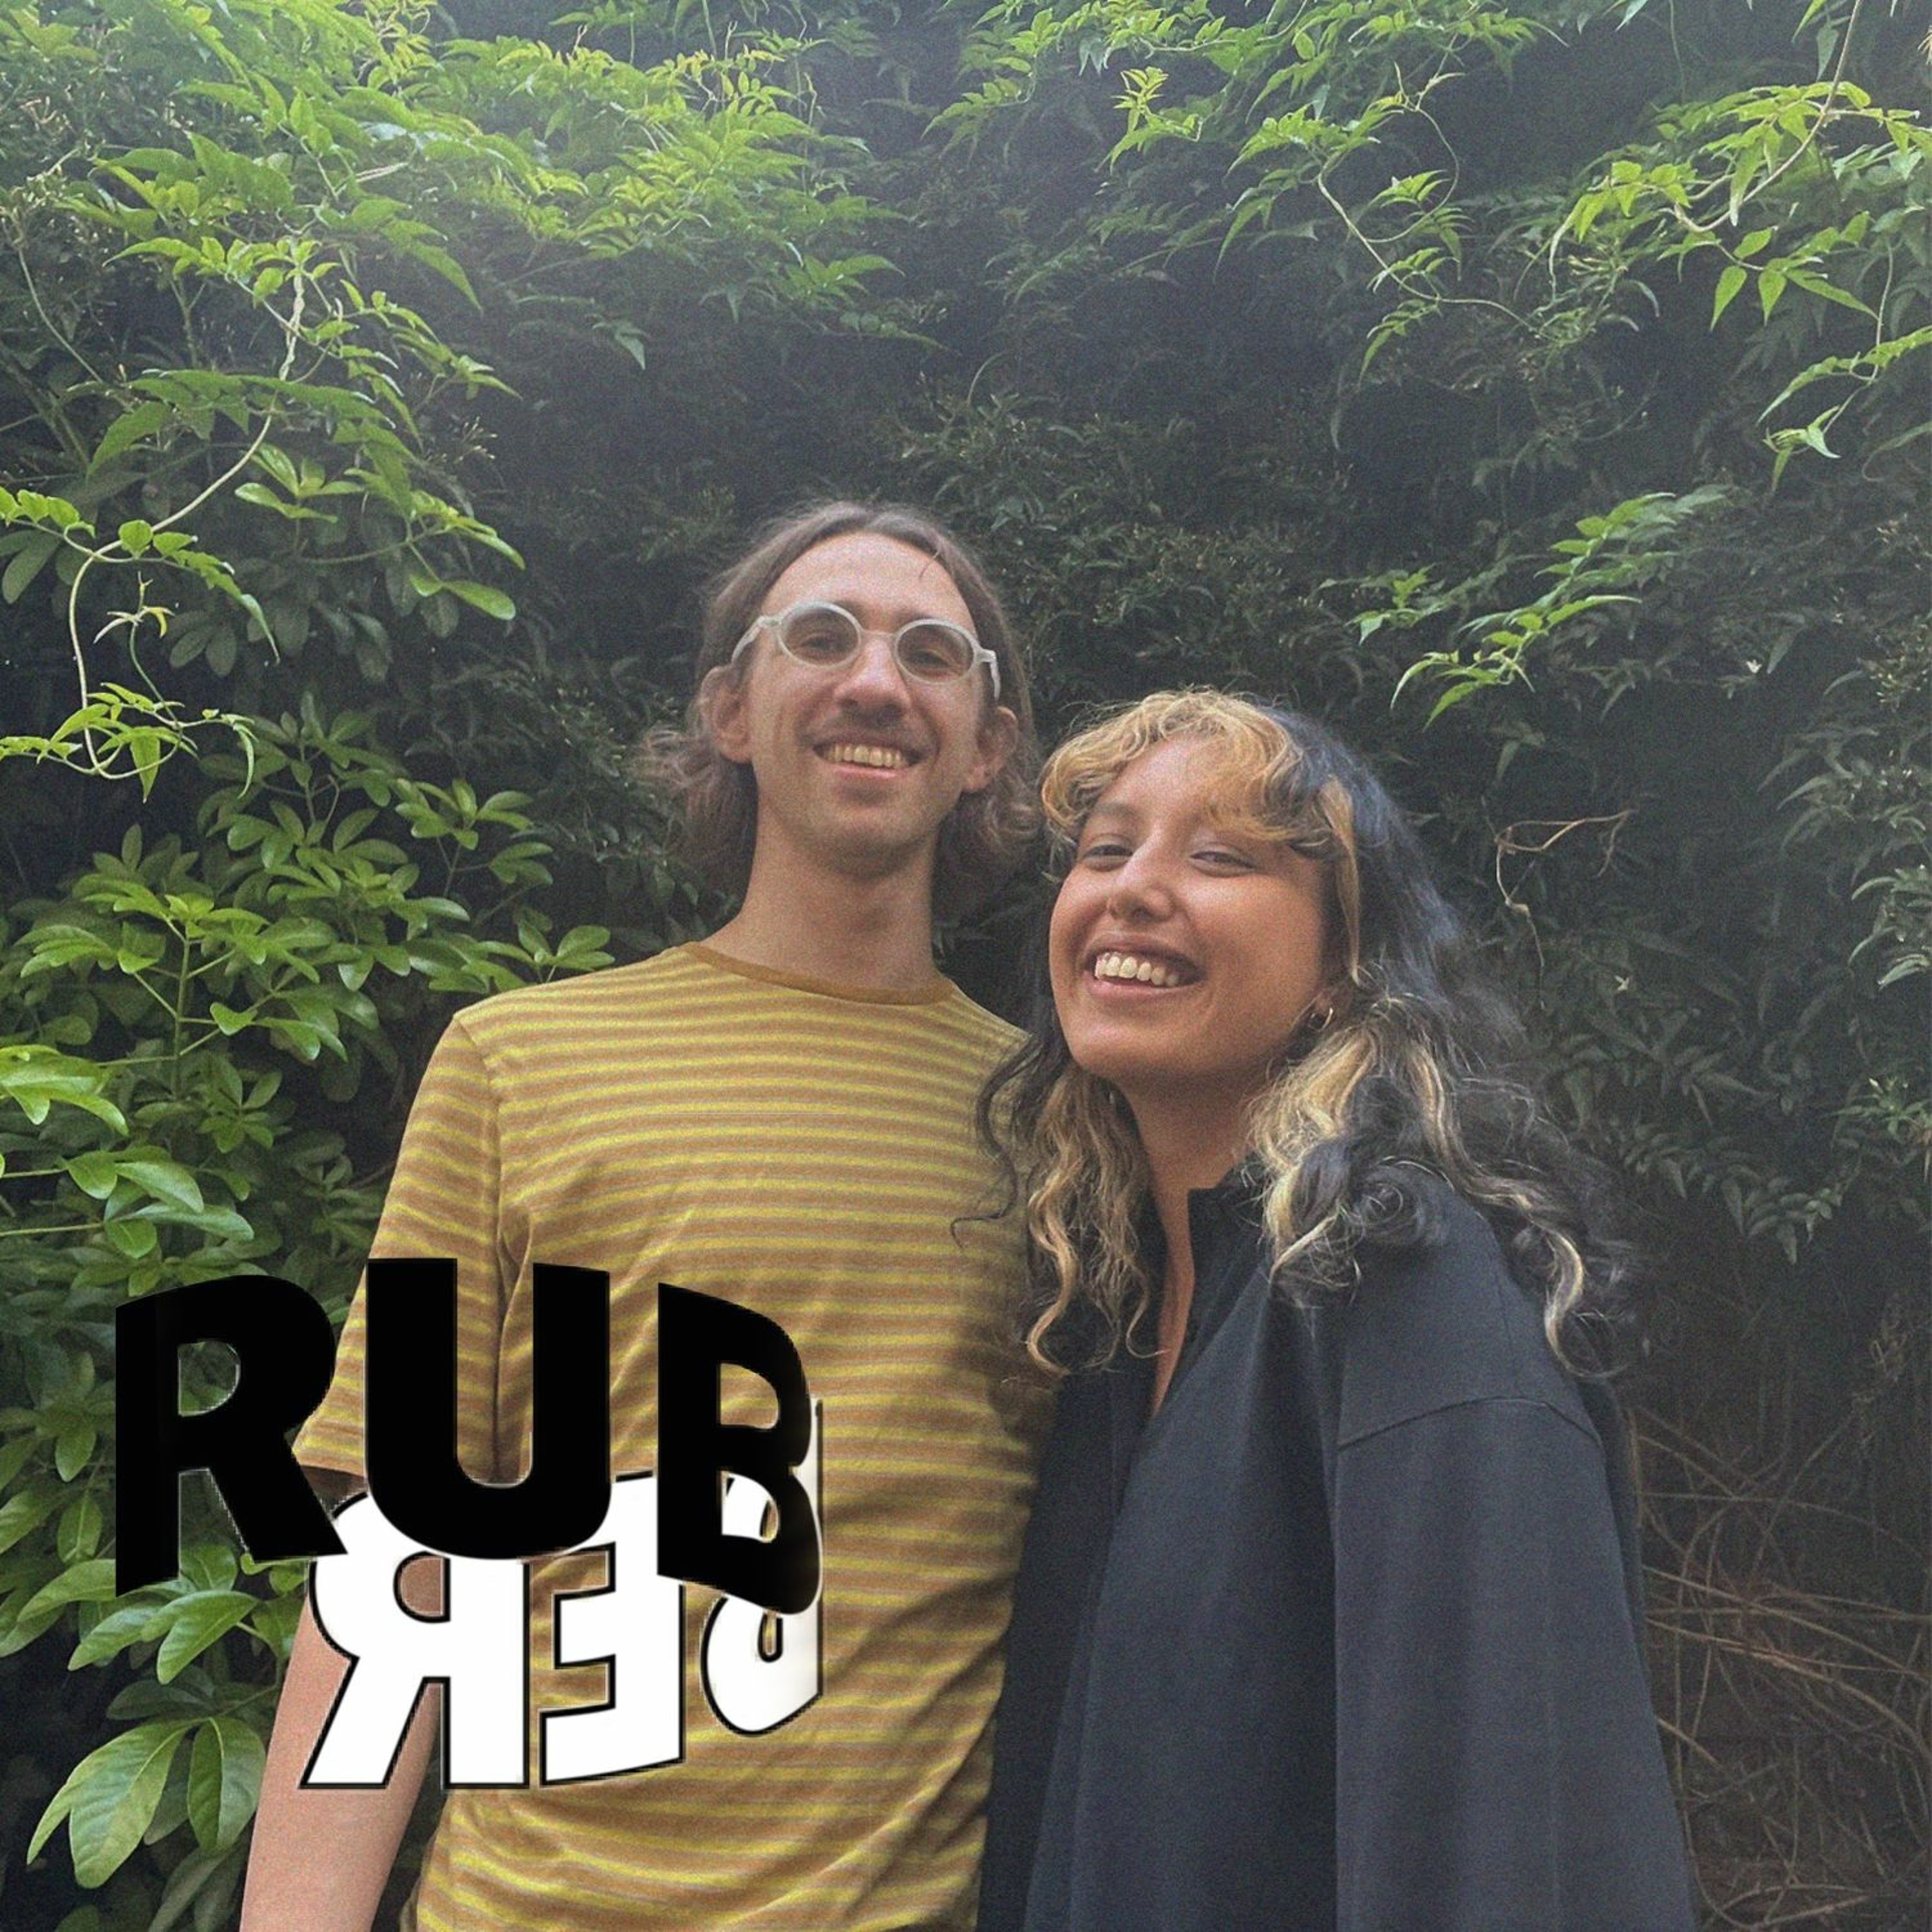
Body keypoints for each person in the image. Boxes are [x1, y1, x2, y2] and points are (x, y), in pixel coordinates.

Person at [241, 502, 1053, 1931]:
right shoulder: (514, 1064)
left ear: (986, 745)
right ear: (732, 710)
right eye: (822, 637)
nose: (876, 681)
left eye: (933, 653)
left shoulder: (1060, 1128)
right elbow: (399, 1565)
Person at [975, 690, 1699, 1932]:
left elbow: (1506, 1840)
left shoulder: (1403, 1284)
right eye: (1105, 849)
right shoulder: (1112, 1317)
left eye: (1220, 857)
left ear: (1339, 970)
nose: (1133, 888)